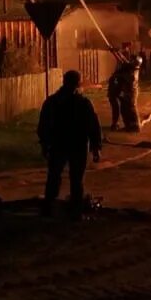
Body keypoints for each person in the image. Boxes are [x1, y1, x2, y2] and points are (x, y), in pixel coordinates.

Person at [37, 69, 102, 217]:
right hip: (77, 145)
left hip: (58, 144)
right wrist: (96, 147)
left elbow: (43, 125)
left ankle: (48, 208)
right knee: (76, 179)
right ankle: (75, 211)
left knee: (54, 176)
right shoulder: (83, 103)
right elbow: (93, 126)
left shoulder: (52, 102)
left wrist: (44, 144)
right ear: (78, 84)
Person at [119, 56, 142, 130]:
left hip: (131, 92)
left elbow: (127, 78)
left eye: (132, 61)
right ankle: (128, 125)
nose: (130, 61)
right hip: (128, 91)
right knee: (124, 108)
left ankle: (136, 126)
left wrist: (121, 74)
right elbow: (124, 60)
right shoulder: (132, 68)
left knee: (132, 108)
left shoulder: (133, 72)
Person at [106, 65, 123, 130]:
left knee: (116, 109)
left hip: (113, 95)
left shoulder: (116, 77)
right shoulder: (115, 78)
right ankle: (115, 124)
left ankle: (115, 123)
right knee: (116, 109)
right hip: (113, 95)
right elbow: (114, 87)